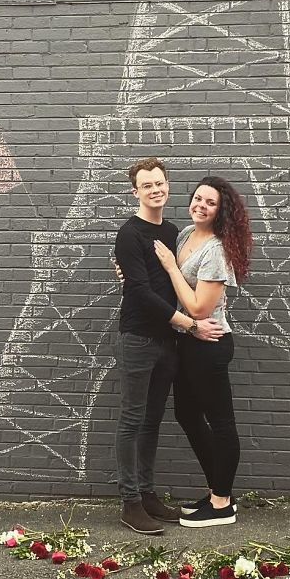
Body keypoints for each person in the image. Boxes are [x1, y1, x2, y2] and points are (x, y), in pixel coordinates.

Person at [114, 158, 225, 535]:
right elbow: (141, 291)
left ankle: (147, 494)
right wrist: (188, 324)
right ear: (136, 191)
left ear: (168, 185)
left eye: (159, 183)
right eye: (147, 185)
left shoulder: (175, 231)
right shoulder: (129, 234)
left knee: (151, 421)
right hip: (140, 337)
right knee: (131, 420)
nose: (155, 190)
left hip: (167, 343)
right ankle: (130, 502)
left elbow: (180, 281)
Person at [152, 175, 253, 528]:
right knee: (186, 415)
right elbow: (166, 287)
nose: (201, 205)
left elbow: (198, 308)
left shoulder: (217, 250)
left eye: (210, 202)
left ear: (221, 211)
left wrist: (168, 265)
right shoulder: (183, 236)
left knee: (222, 423)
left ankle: (222, 504)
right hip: (186, 342)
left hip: (208, 344)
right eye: (197, 198)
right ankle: (218, 490)